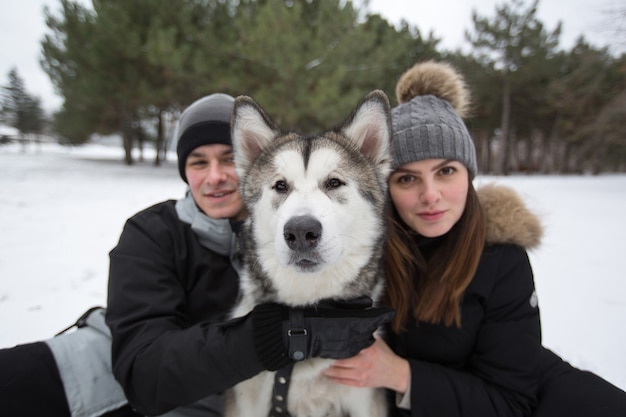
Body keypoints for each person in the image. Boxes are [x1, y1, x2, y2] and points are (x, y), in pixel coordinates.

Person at [0, 93, 392, 417]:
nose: (215, 176)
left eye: (226, 159)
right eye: (198, 162)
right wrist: (278, 336)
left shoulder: (294, 236)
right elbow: (145, 374)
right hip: (92, 373)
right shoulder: (152, 233)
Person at [322, 61, 626, 416]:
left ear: (469, 175)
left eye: (446, 171)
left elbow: (513, 401)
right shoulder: (362, 256)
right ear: (387, 188)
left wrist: (402, 374)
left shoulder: (501, 259)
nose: (430, 195)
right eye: (407, 179)